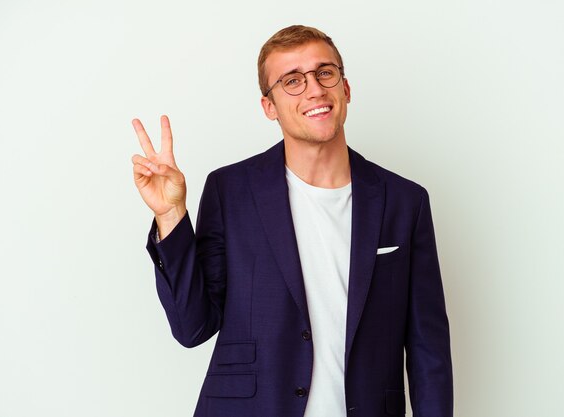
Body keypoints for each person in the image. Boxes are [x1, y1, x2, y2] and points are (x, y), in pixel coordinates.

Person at [131, 25, 453, 417]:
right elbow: (192, 327)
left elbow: (428, 349)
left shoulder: (405, 201)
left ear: (345, 89)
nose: (314, 90)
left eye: (325, 73)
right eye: (292, 81)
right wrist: (170, 216)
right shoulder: (230, 190)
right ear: (269, 107)